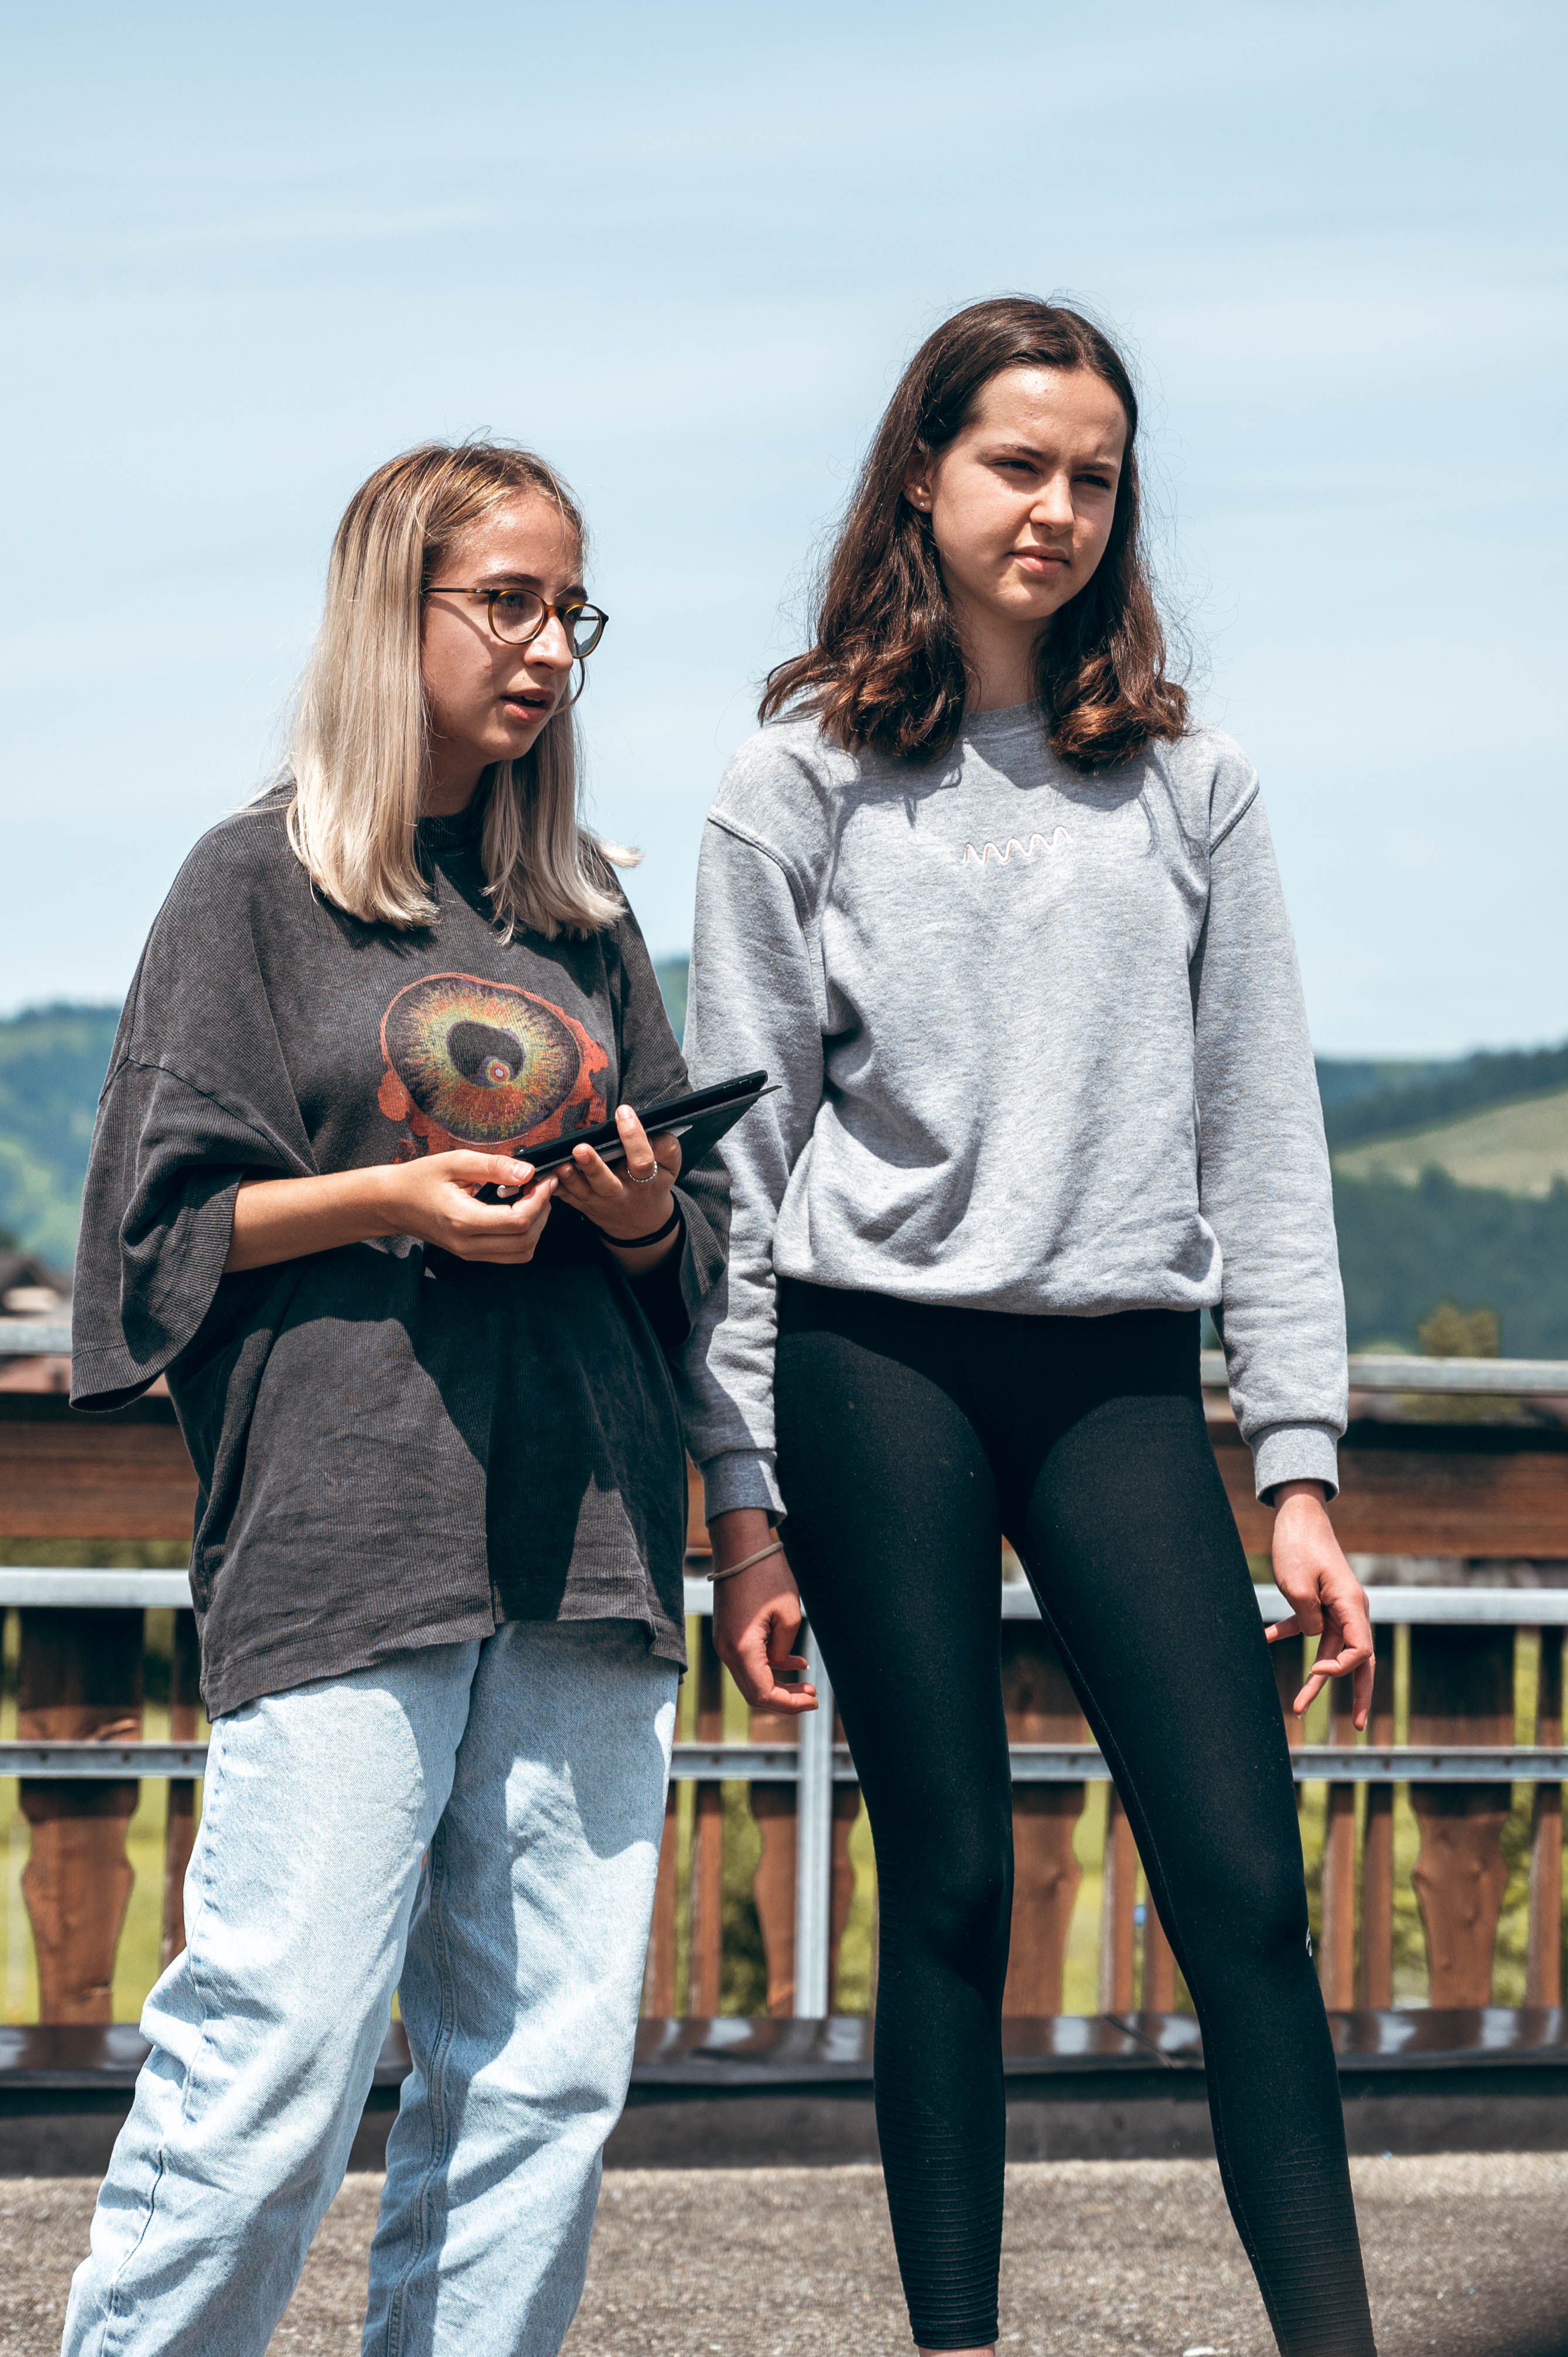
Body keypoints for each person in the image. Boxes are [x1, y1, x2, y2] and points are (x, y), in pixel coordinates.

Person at [679, 298, 1378, 2357]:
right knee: (956, 1889)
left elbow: (1263, 1133)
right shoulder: (794, 781)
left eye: (1094, 477)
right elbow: (738, 1167)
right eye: (1017, 465)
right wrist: (743, 1501)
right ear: (923, 473)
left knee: (1245, 1890)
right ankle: (959, 2340)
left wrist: (1302, 1468)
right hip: (874, 1367)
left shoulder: (1190, 785)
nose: (1057, 509)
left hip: (1116, 1380)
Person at [62, 441, 726, 2357]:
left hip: (590, 1541)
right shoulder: (250, 887)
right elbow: (150, 1239)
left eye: (570, 613)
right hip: (350, 1529)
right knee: (274, 2057)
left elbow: (689, 1248)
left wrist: (639, 1207)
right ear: (393, 609)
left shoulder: (578, 912)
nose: (549, 650)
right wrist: (391, 1200)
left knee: (540, 2087)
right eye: (506, 604)